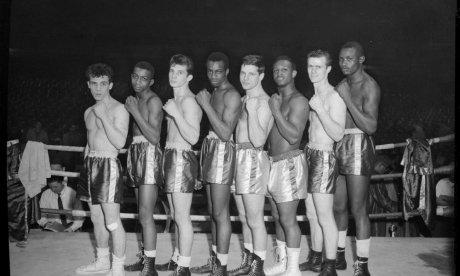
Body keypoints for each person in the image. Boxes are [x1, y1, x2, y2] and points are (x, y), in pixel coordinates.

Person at [75, 63, 130, 276]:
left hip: (108, 165)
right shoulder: (87, 111)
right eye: (95, 84)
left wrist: (103, 116)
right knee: (96, 218)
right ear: (88, 85)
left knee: (112, 221)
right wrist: (86, 159)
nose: (99, 88)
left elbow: (118, 142)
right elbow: (90, 141)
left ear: (111, 85)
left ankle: (118, 269)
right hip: (91, 165)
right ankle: (102, 261)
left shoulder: (119, 109)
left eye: (103, 84)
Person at [190, 52, 242, 275]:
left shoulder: (232, 95)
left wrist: (205, 105)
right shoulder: (213, 92)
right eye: (210, 71)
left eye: (218, 71)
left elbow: (225, 132)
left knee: (221, 213)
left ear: (227, 71)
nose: (213, 75)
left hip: (222, 150)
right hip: (210, 150)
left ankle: (221, 267)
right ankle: (214, 261)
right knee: (212, 211)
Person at [333, 41, 381, 276]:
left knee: (358, 208)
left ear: (361, 60)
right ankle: (340, 255)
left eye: (349, 59)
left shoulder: (370, 86)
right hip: (339, 144)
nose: (344, 63)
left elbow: (371, 126)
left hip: (359, 144)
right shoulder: (342, 84)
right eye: (341, 59)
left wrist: (347, 99)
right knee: (338, 206)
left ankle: (362, 266)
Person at [299, 50, 346, 276]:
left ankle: (330, 265)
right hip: (310, 153)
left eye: (318, 67)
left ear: (328, 69)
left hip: (325, 156)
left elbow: (337, 133)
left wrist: (319, 108)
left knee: (325, 214)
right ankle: (315, 258)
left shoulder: (334, 96)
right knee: (311, 212)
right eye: (310, 66)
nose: (313, 71)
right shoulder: (315, 95)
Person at [155, 54, 202, 276]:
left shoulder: (189, 102)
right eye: (172, 71)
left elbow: (193, 137)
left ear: (189, 76)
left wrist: (175, 113)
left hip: (183, 158)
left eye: (180, 72)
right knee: (174, 213)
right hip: (171, 156)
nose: (174, 76)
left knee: (182, 216)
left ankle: (184, 266)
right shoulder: (175, 101)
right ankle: (176, 258)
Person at [227, 55, 274, 276]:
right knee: (244, 216)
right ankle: (248, 260)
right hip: (238, 157)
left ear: (261, 76)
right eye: (243, 73)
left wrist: (253, 111)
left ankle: (259, 266)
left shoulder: (263, 102)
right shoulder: (244, 99)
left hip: (254, 158)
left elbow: (258, 140)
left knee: (255, 218)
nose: (245, 78)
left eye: (251, 74)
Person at [263, 56, 309, 276]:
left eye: (284, 69)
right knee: (277, 217)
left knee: (288, 219)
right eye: (276, 70)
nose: (279, 73)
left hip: (289, 163)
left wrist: (275, 111)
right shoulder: (276, 98)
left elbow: (293, 136)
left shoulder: (299, 101)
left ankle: (293, 269)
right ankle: (282, 262)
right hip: (272, 163)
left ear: (294, 73)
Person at [123, 61, 164, 276]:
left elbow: (155, 137)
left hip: (148, 153)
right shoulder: (136, 99)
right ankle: (144, 257)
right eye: (135, 76)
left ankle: (150, 267)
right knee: (141, 213)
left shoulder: (153, 101)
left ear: (152, 81)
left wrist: (133, 111)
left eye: (144, 78)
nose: (138, 81)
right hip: (136, 152)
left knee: (147, 214)